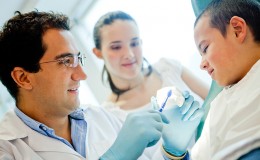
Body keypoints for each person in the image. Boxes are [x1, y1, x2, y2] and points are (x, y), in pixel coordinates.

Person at [0, 11, 203, 160]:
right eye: (65, 61)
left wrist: (173, 153)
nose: (82, 74)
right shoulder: (6, 149)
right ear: (23, 78)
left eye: (78, 60)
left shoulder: (101, 118)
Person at [170, 0, 260, 159]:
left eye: (205, 49)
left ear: (237, 30)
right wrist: (174, 152)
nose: (202, 65)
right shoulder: (216, 106)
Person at [92, 11, 209, 120]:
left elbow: (217, 98)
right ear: (98, 53)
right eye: (116, 47)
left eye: (134, 43)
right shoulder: (109, 116)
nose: (129, 54)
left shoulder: (168, 68)